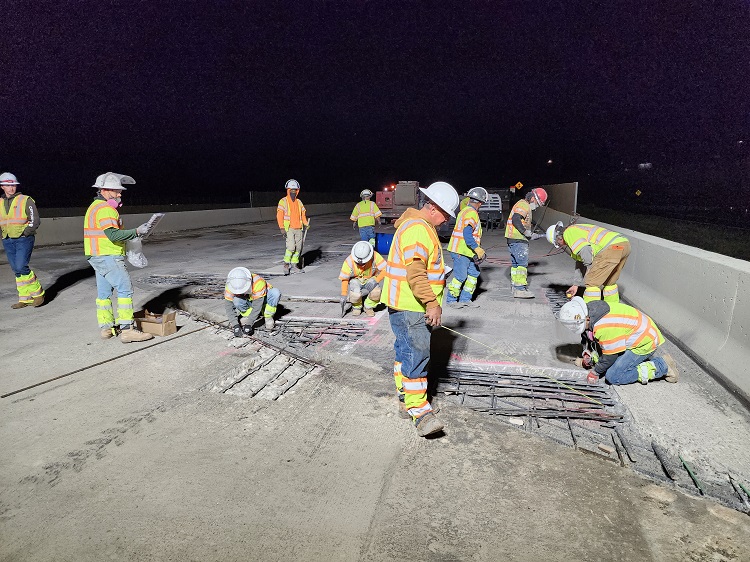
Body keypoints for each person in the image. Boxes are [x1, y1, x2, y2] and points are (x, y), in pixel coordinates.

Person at [381, 181, 459, 437]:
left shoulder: (413, 225)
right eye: (447, 214)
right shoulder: (419, 229)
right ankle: (419, 412)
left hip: (401, 304)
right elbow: (415, 272)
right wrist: (431, 302)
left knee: (404, 351)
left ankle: (405, 397)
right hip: (412, 306)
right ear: (434, 208)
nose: (447, 220)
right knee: (417, 354)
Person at [83, 172, 153, 343]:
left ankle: (106, 328)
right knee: (125, 289)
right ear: (104, 190)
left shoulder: (94, 207)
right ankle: (127, 330)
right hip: (108, 255)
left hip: (96, 255)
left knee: (104, 293)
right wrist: (137, 232)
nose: (120, 194)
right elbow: (113, 235)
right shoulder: (106, 209)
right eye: (116, 191)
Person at [557, 297, 679, 385]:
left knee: (613, 376)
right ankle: (601, 360)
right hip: (635, 331)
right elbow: (587, 335)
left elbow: (610, 356)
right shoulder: (589, 311)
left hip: (644, 341)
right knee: (603, 353)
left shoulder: (604, 327)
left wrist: (595, 372)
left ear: (586, 319)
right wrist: (587, 353)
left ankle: (662, 365)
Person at [546, 221, 630, 303]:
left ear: (558, 237)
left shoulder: (568, 233)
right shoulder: (577, 230)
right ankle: (612, 310)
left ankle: (592, 313)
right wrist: (576, 285)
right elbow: (580, 262)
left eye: (558, 244)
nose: (561, 245)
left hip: (610, 248)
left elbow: (585, 250)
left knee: (591, 283)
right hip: (623, 245)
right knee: (609, 282)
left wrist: (590, 270)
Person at [0, 172, 45, 309]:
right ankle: (25, 298)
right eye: (8, 185)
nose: (11, 188)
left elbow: (35, 220)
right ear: (2, 186)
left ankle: (38, 294)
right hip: (7, 239)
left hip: (23, 239)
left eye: (13, 185)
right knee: (16, 270)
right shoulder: (0, 202)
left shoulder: (26, 200)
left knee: (21, 266)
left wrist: (25, 233)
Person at [446, 187, 488, 305]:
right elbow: (467, 233)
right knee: (460, 276)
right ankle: (451, 300)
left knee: (474, 274)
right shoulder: (471, 213)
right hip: (461, 251)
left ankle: (465, 299)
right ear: (480, 203)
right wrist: (476, 248)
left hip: (466, 251)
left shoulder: (464, 210)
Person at [504, 187, 548, 298]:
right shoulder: (524, 205)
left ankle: (515, 286)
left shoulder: (522, 204)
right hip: (518, 239)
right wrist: (526, 232)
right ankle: (520, 289)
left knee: (516, 265)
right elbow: (516, 219)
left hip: (513, 238)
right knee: (522, 264)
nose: (536, 206)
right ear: (533, 198)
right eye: (537, 203)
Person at [225, 267, 281, 336]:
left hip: (264, 300)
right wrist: (235, 325)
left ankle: (268, 316)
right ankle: (247, 316)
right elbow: (229, 308)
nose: (239, 293)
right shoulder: (231, 286)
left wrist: (249, 323)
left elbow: (257, 306)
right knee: (237, 300)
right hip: (250, 301)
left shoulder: (258, 282)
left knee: (275, 293)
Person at [339, 241, 386, 317]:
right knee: (355, 294)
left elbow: (386, 269)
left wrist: (376, 281)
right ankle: (356, 307)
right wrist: (343, 294)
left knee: (376, 292)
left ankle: (368, 306)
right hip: (356, 280)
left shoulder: (375, 256)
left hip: (371, 278)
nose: (361, 265)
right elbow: (344, 278)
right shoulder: (349, 260)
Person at [276, 179, 309, 275]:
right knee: (291, 247)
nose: (293, 192)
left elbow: (303, 214)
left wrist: (306, 223)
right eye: (292, 190)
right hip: (289, 228)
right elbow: (279, 215)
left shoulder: (299, 202)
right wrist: (282, 228)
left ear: (297, 191)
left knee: (298, 248)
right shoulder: (283, 201)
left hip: (299, 228)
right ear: (288, 190)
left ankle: (294, 265)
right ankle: (286, 264)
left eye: (295, 190)